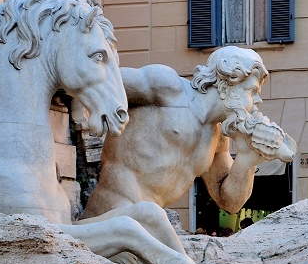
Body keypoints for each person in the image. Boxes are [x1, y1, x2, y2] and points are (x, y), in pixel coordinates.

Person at [81, 46, 296, 219]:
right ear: (224, 86)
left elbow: (229, 202)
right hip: (109, 212)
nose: (258, 101)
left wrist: (246, 160)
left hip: (149, 223)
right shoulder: (168, 88)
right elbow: (97, 79)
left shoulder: (218, 136)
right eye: (252, 91)